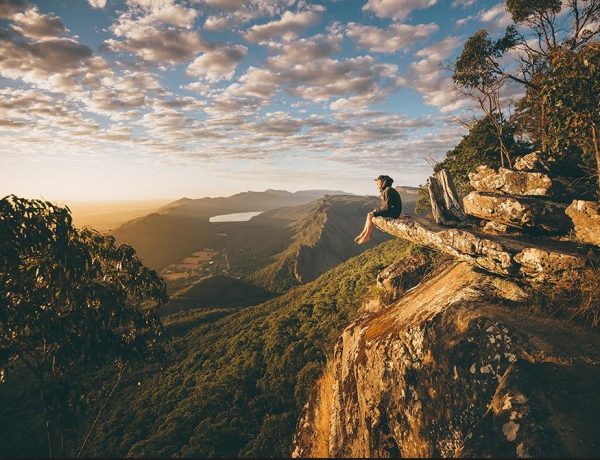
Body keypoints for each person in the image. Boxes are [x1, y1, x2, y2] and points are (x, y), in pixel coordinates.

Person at [355, 174, 402, 244]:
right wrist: (377, 210)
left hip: (393, 213)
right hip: (392, 210)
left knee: (370, 215)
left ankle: (367, 236)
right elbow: (385, 206)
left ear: (383, 182)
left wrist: (377, 212)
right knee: (371, 213)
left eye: (378, 182)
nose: (377, 184)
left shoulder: (388, 190)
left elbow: (386, 207)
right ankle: (363, 234)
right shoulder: (386, 190)